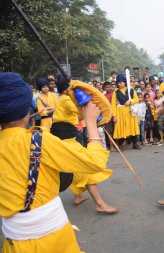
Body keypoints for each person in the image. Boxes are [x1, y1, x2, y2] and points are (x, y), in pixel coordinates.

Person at [0, 72, 109, 253]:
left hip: (12, 243)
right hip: (52, 240)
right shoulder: (38, 141)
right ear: (26, 110)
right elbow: (95, 162)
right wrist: (90, 121)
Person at [51, 76, 118, 214]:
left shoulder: (65, 99)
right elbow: (81, 111)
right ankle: (100, 204)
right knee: (86, 168)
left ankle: (78, 196)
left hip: (66, 136)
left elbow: (81, 115)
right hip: (65, 138)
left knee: (75, 169)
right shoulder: (66, 99)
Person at [112, 74, 141, 150]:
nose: (119, 84)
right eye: (118, 83)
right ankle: (121, 145)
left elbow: (137, 99)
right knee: (121, 128)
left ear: (124, 82)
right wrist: (114, 116)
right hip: (120, 113)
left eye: (121, 82)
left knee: (132, 127)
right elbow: (113, 105)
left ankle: (135, 143)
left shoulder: (131, 90)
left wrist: (130, 101)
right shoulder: (116, 92)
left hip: (130, 112)